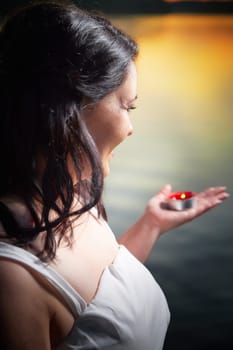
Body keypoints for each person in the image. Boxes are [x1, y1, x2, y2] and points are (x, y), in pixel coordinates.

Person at [0, 1, 229, 349]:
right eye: (126, 105)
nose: (130, 127)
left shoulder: (71, 195)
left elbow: (102, 306)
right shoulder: (11, 279)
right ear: (70, 110)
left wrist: (151, 224)